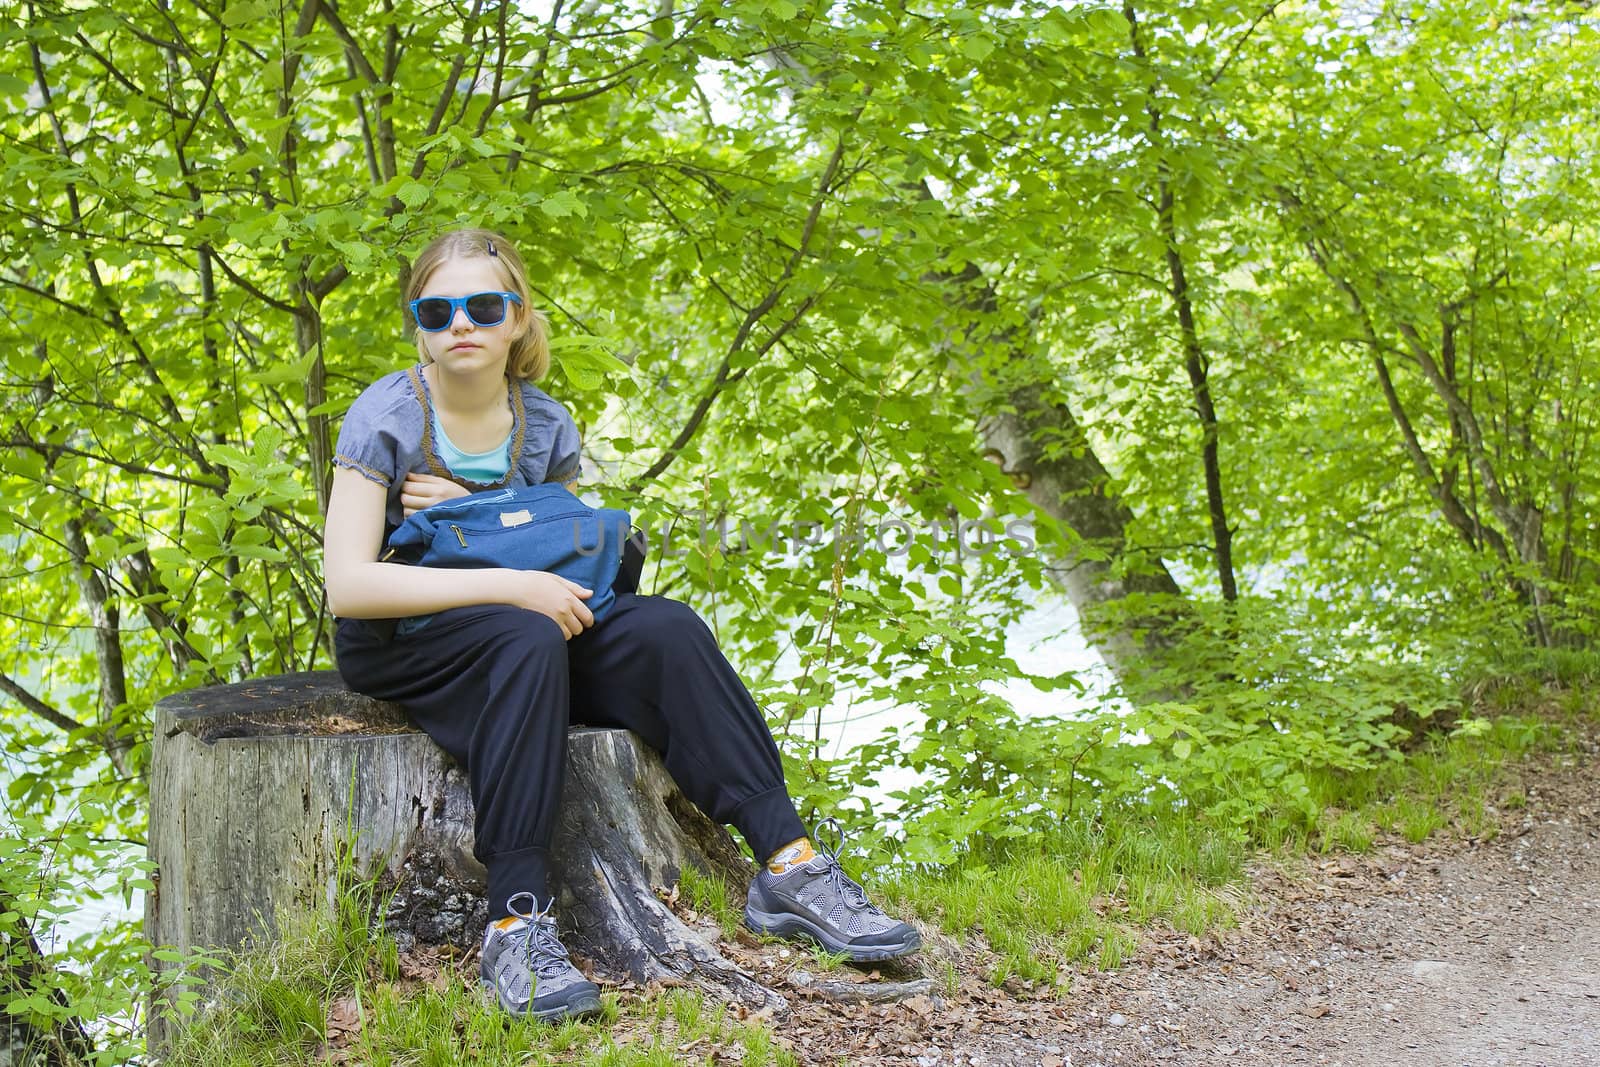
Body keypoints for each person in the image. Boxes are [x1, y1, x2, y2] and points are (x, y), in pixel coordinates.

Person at [322, 227, 920, 1022]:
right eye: (437, 310)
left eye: (483, 305)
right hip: (410, 638)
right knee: (526, 631)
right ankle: (516, 919)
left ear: (517, 318)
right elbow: (349, 586)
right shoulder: (389, 415)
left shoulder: (544, 424)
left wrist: (481, 528)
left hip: (526, 629)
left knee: (668, 628)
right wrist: (515, 579)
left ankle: (788, 864)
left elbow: (559, 548)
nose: (459, 323)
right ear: (418, 324)